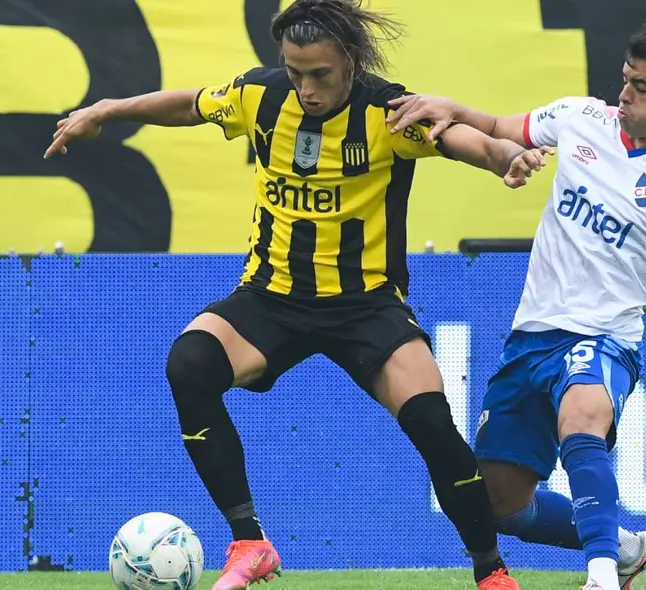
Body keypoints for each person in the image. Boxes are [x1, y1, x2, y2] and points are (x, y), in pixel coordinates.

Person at [43, 1, 549, 589]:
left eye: (320, 75)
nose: (306, 88)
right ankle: (250, 542)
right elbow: (188, 104)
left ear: (352, 62)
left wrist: (505, 157)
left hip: (367, 305)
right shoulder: (260, 97)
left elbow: (461, 138)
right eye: (295, 71)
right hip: (271, 297)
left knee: (434, 424)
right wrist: (107, 108)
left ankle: (491, 573)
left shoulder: (388, 112)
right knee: (189, 364)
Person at [386, 22, 646, 590]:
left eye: (641, 87)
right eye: (624, 79)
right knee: (499, 504)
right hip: (531, 338)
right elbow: (501, 128)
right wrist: (451, 107)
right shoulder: (581, 117)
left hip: (604, 337)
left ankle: (599, 576)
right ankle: (621, 547)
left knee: (583, 416)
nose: (624, 94)